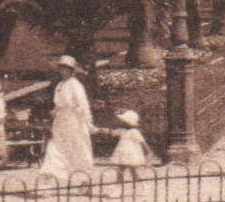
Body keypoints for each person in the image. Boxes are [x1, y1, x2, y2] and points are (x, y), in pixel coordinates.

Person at [39, 55, 97, 183]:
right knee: (54, 149)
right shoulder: (60, 85)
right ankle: (47, 183)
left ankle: (85, 181)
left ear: (71, 70)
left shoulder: (76, 85)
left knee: (78, 149)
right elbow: (59, 104)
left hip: (74, 122)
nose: (62, 71)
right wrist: (55, 111)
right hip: (61, 123)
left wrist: (88, 123)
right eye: (60, 68)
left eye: (65, 68)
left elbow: (83, 105)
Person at [107, 109, 157, 191]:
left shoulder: (134, 132)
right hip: (122, 154)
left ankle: (143, 187)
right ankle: (118, 189)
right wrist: (112, 123)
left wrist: (148, 151)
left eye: (124, 121)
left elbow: (142, 142)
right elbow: (111, 132)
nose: (122, 122)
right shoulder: (122, 131)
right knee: (120, 172)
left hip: (131, 155)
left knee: (132, 173)